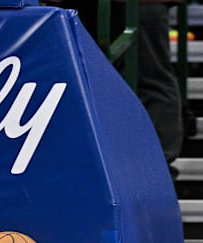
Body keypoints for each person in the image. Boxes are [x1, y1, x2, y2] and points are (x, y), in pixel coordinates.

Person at [44, 1, 185, 172]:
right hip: (84, 7)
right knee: (78, 79)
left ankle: (157, 167)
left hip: (140, 5)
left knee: (147, 74)